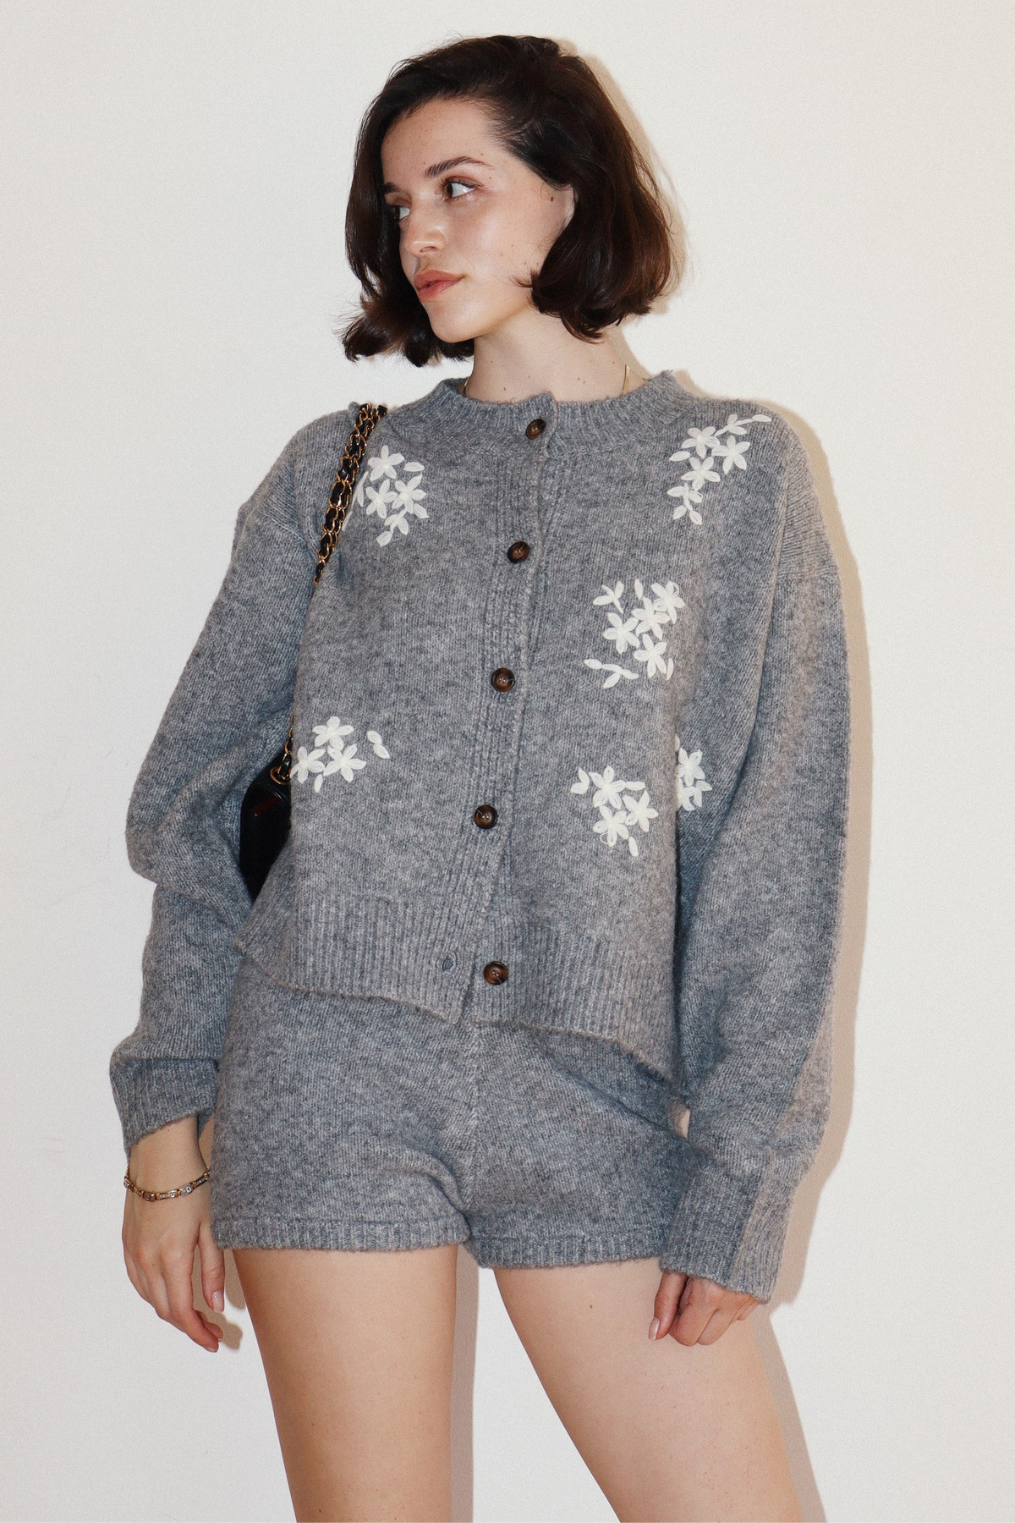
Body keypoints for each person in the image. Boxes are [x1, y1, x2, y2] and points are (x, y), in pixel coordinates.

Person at [110, 33, 850, 1523]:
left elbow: (778, 844)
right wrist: (164, 1133)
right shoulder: (338, 472)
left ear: (571, 190)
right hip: (327, 1071)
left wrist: (744, 1176)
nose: (420, 236)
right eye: (398, 204)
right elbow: (201, 809)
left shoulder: (738, 474)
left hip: (599, 1091)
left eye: (459, 186)